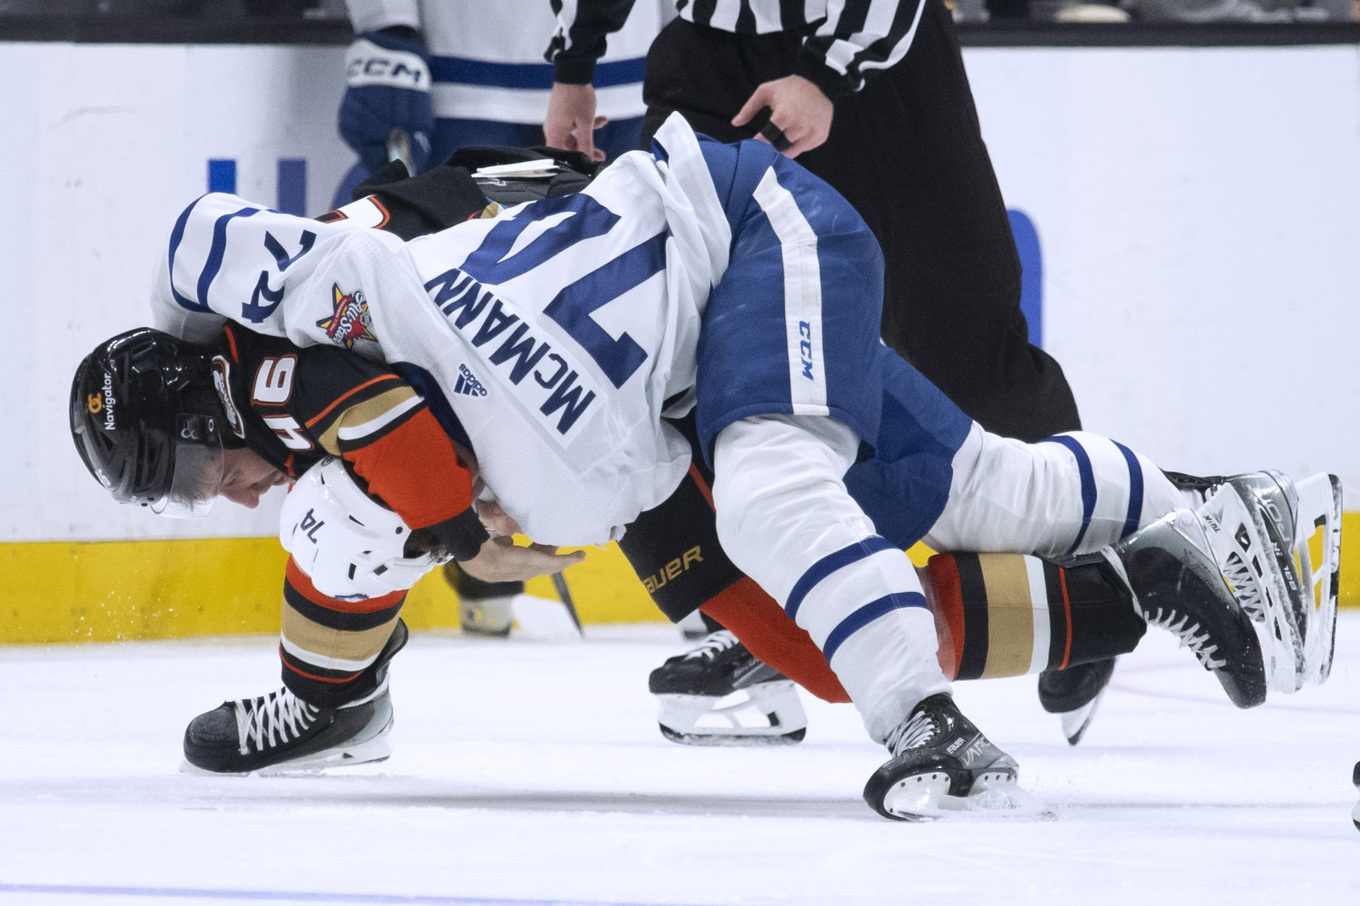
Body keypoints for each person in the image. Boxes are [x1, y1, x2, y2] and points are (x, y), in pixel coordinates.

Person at [72, 116, 1332, 819]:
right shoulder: (371, 379)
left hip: (736, 236)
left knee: (782, 491)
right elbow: (362, 419)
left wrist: (454, 530)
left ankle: (933, 731)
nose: (214, 494)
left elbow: (354, 407)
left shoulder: (366, 365)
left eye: (188, 470)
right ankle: (1191, 536)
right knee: (931, 529)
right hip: (666, 361)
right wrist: (447, 523)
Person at [544, 0, 1114, 740]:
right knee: (696, 343)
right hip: (709, 63)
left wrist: (827, 71)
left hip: (877, 66)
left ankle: (1084, 585)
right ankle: (771, 621)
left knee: (964, 343)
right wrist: (573, 67)